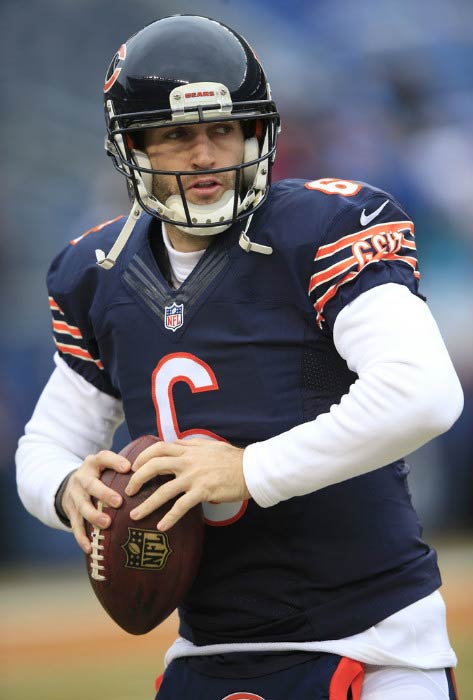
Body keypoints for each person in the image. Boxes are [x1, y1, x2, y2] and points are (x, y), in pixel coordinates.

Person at [16, 14, 463, 700]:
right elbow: (45, 444)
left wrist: (250, 470)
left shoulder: (322, 229)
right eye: (176, 134)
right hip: (208, 645)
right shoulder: (96, 270)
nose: (203, 154)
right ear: (132, 147)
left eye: (222, 129)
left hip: (370, 639)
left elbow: (423, 393)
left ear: (257, 132)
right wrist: (65, 489)